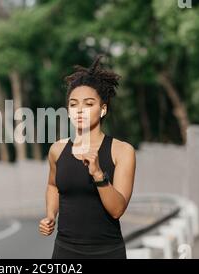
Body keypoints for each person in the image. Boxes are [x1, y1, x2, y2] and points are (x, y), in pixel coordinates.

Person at [39, 54, 136, 259]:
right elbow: (53, 185)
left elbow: (117, 210)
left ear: (102, 110)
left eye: (88, 104)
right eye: (73, 105)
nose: (79, 110)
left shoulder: (122, 151)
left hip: (107, 252)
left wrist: (99, 174)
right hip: (65, 252)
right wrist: (50, 215)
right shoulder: (57, 150)